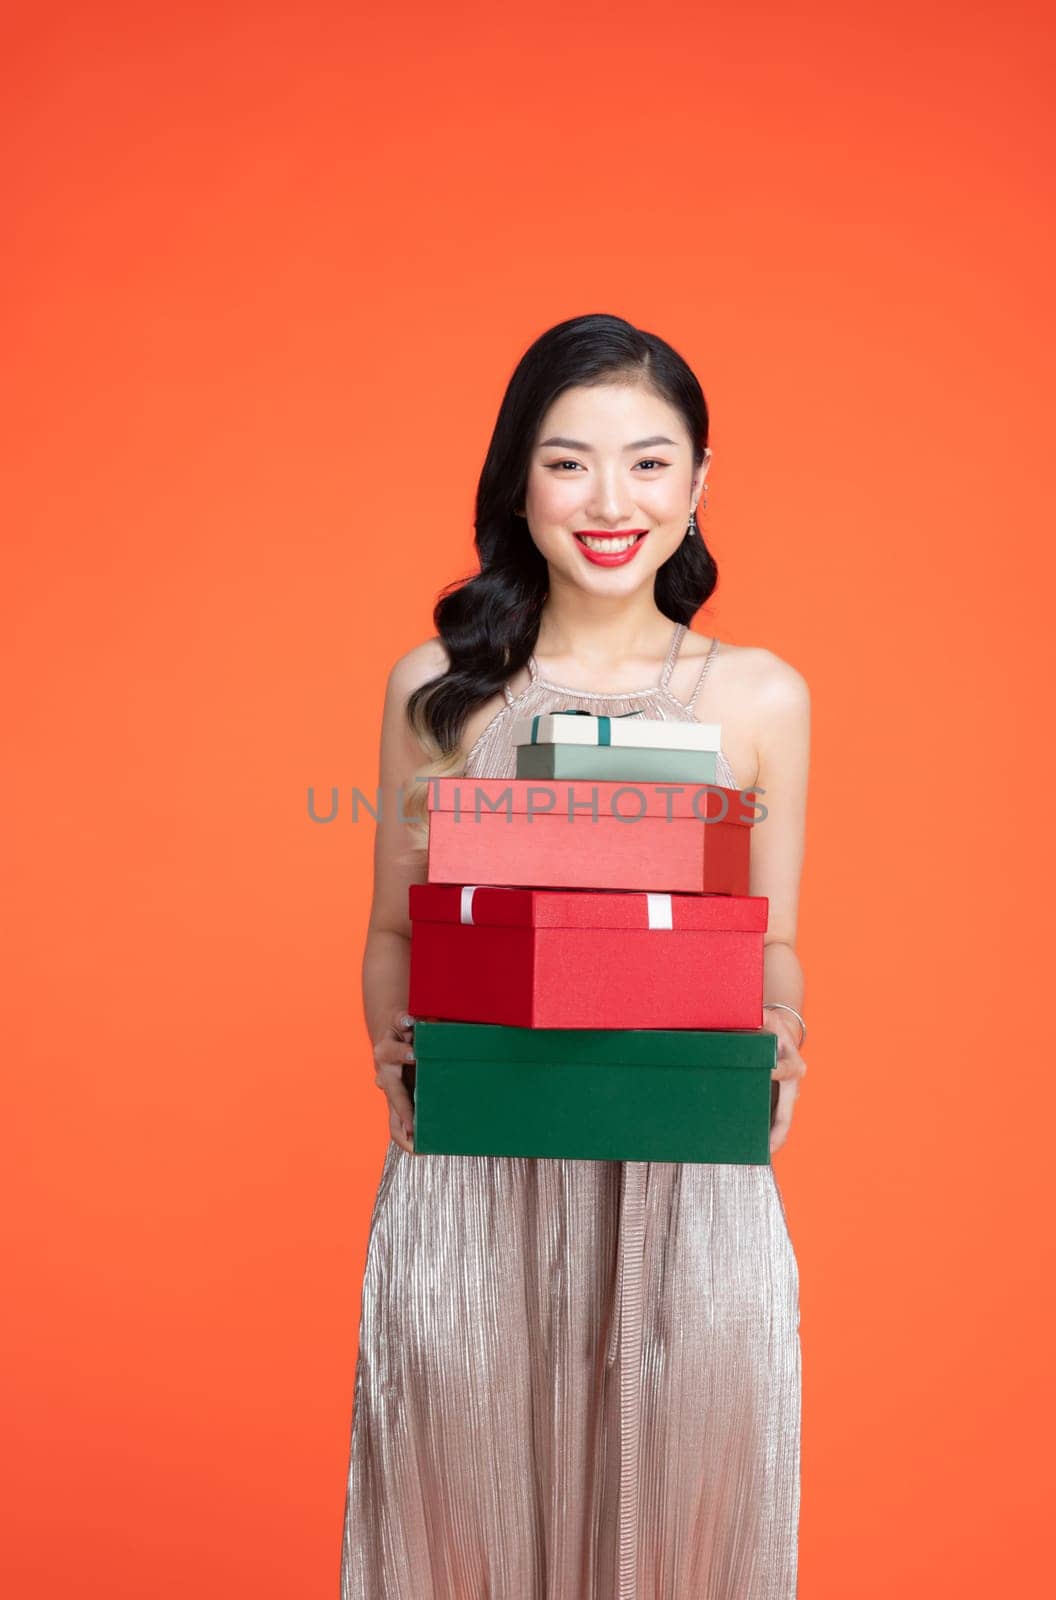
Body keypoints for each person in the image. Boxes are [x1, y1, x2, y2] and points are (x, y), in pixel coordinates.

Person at [341, 312, 810, 1600]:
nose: (612, 501)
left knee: (684, 1503)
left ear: (700, 481)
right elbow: (396, 929)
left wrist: (783, 1033)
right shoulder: (440, 686)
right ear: (517, 481)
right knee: (465, 1503)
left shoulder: (757, 696)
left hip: (684, 1162)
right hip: (479, 1168)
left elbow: (767, 946)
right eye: (569, 462)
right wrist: (394, 1050)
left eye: (650, 462)